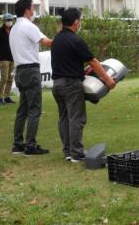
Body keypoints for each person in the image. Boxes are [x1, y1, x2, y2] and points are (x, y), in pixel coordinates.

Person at [51, 9, 116, 163]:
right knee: (77, 118)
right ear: (76, 22)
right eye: (80, 20)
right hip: (71, 85)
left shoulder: (57, 40)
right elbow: (93, 61)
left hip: (57, 85)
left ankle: (68, 151)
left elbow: (67, 61)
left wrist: (80, 70)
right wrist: (108, 80)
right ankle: (77, 153)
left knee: (64, 118)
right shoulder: (76, 40)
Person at [9, 0, 52, 155]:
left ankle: (18, 144)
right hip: (30, 70)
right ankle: (30, 145)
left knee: (23, 109)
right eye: (33, 8)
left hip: (19, 71)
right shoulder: (29, 26)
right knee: (35, 109)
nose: (34, 11)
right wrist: (65, 40)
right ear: (27, 10)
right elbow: (47, 42)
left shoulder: (14, 28)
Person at [0, 13, 16, 105]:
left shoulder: (14, 30)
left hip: (13, 58)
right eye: (7, 20)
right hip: (3, 58)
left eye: (11, 20)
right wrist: (1, 51)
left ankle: (7, 97)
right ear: (4, 21)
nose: (9, 22)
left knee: (10, 78)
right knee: (4, 78)